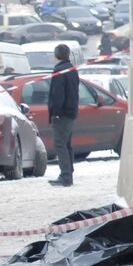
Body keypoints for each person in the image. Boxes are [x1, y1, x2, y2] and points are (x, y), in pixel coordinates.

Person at [47, 43, 80, 187]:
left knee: (60, 144)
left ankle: (65, 176)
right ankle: (68, 173)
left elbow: (57, 94)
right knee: (66, 144)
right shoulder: (72, 70)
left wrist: (56, 113)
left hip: (63, 113)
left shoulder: (59, 71)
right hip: (71, 111)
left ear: (56, 55)